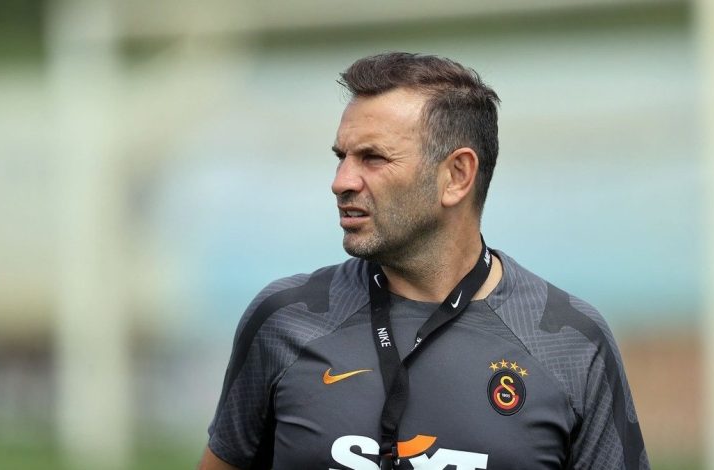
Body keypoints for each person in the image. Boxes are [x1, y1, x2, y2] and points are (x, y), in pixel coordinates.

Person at [198, 52, 648, 470]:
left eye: (373, 158)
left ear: (456, 176)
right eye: (342, 157)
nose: (341, 181)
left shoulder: (572, 342)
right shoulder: (283, 320)